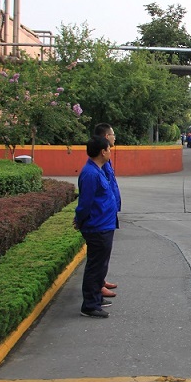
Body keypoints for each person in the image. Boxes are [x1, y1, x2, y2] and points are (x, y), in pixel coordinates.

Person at [74, 135, 118, 318]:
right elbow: (85, 203)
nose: (110, 152)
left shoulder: (98, 170)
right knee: (95, 266)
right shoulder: (90, 174)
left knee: (101, 265)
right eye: (108, 149)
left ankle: (96, 297)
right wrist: (80, 220)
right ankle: (90, 305)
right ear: (102, 152)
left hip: (104, 224)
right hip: (97, 226)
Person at [94, 123, 120, 299]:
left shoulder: (106, 158)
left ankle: (100, 281)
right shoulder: (98, 162)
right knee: (99, 256)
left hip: (108, 213)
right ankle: (97, 286)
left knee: (104, 255)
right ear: (105, 137)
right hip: (102, 217)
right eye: (112, 134)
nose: (114, 137)